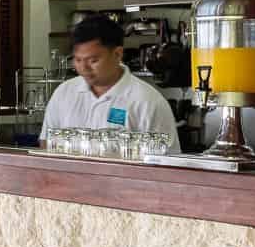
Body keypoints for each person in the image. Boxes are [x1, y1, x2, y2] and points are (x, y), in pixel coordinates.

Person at [41, 14, 180, 151]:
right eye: (77, 60)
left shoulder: (147, 101)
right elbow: (46, 143)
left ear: (118, 54)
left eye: (93, 61)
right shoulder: (64, 93)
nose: (83, 68)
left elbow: (167, 162)